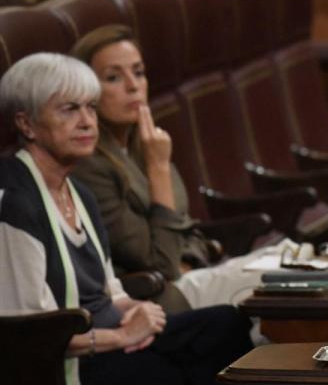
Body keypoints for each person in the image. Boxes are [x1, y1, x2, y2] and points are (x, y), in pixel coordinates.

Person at [0, 52, 252, 385]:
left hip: (109, 338)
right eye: (69, 109)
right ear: (26, 123)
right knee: (176, 372)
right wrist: (122, 337)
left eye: (90, 107)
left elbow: (110, 292)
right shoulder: (16, 204)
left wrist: (137, 309)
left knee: (226, 325)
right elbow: (30, 334)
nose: (88, 122)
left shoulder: (79, 194)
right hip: (70, 364)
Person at [68, 25, 268, 311]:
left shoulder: (144, 144)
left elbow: (188, 229)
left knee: (289, 262)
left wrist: (189, 259)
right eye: (113, 77)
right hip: (157, 301)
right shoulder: (90, 167)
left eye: (138, 72)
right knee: (272, 285)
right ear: (85, 91)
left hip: (194, 276)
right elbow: (161, 264)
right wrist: (159, 167)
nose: (133, 86)